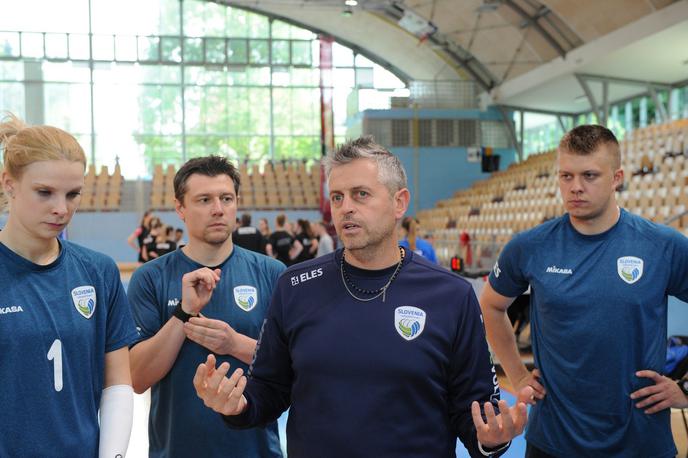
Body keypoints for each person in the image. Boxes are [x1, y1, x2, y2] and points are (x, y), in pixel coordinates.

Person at [193, 136, 530, 457]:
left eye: (361, 194)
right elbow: (269, 388)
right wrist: (238, 405)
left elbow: (476, 413)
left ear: (399, 202)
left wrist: (491, 440)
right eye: (337, 197)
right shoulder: (295, 286)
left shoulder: (451, 296)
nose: (345, 208)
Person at [479, 124, 688, 458]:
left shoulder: (662, 246)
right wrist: (517, 377)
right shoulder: (530, 246)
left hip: (640, 442)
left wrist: (685, 388)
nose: (575, 187)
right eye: (566, 176)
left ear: (617, 178)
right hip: (554, 441)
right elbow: (490, 305)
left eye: (589, 175)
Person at [127, 155, 285, 457]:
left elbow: (293, 366)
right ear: (180, 208)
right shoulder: (151, 278)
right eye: (204, 200)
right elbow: (137, 378)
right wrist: (183, 313)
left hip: (256, 450)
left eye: (227, 198)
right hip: (177, 450)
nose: (218, 209)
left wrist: (234, 343)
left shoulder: (272, 273)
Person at [0, 114, 137, 457]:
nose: (61, 209)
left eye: (73, 194)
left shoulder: (99, 272)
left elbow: (118, 382)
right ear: (8, 183)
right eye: (44, 192)